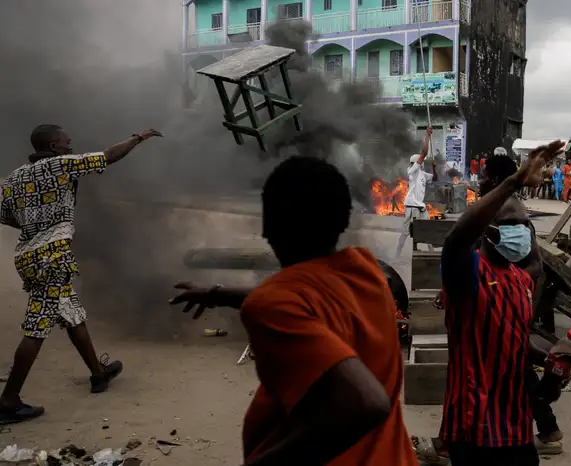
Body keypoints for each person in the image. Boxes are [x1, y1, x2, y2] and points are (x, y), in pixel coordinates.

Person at [169, 156, 418, 466]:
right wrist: (216, 294)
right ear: (342, 222)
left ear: (269, 225)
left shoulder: (275, 304)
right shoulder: (366, 270)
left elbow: (367, 403)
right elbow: (307, 299)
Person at [0, 125, 163, 424]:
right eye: (67, 142)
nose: (70, 145)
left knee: (71, 312)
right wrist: (138, 138)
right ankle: (8, 401)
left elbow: (3, 215)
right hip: (52, 259)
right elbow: (106, 157)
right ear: (53, 146)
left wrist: (35, 225)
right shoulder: (60, 165)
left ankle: (98, 374)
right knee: (37, 327)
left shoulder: (14, 178)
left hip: (28, 255)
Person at [438, 141, 565, 466]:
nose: (521, 231)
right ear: (489, 229)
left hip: (516, 432)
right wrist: (514, 181)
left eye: (525, 226)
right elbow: (455, 241)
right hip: (474, 431)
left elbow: (517, 345)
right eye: (512, 224)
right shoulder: (469, 273)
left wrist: (551, 362)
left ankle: (547, 429)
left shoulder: (521, 281)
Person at [395, 127, 433, 258]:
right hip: (412, 207)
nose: (423, 163)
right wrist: (427, 135)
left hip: (421, 207)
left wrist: (434, 168)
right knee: (405, 232)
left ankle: (432, 254)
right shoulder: (412, 171)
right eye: (421, 162)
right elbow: (423, 152)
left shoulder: (422, 173)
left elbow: (435, 178)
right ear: (417, 163)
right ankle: (397, 255)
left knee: (428, 230)